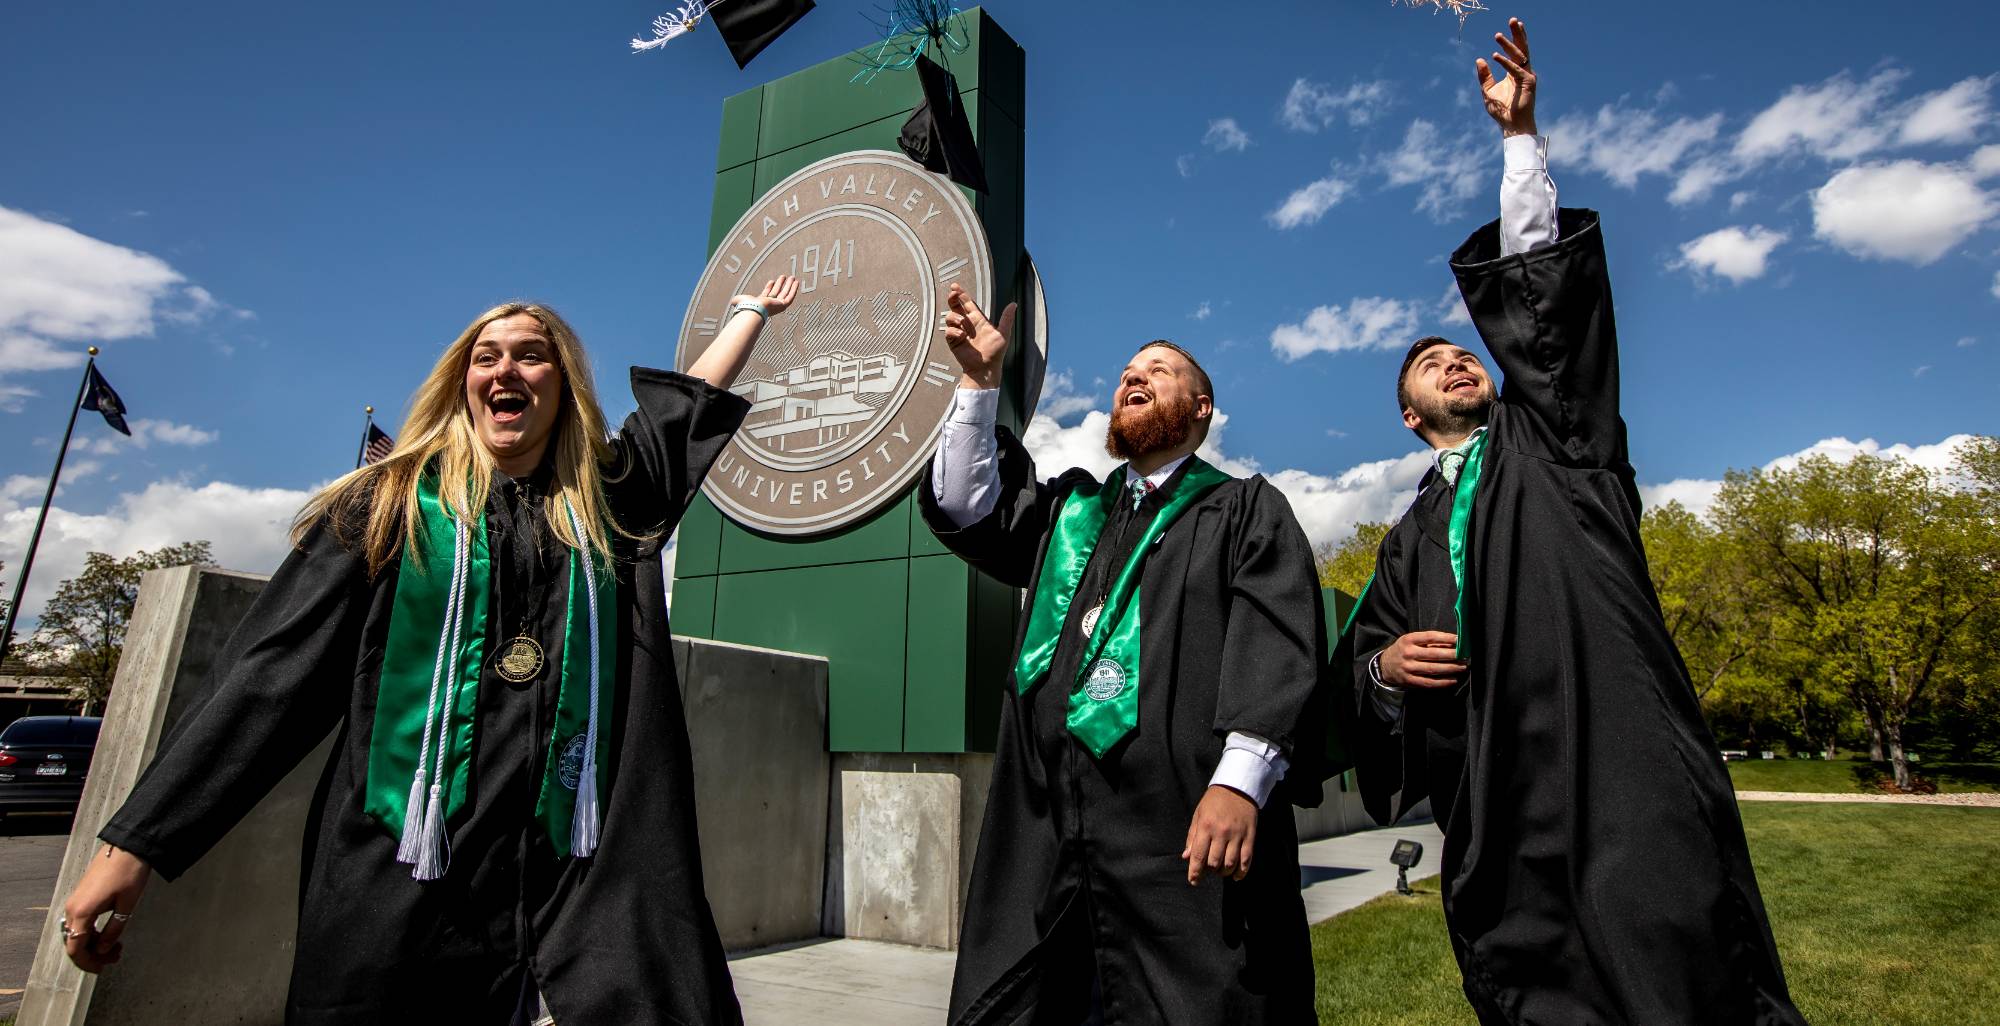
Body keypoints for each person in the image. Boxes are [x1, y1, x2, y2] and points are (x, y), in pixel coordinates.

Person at [58, 276, 801, 1025]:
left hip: (585, 861)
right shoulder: (387, 509)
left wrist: (749, 315)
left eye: (531, 356)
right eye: (487, 357)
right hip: (411, 867)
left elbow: (677, 414)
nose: (505, 370)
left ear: (565, 383)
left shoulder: (607, 505)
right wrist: (132, 851)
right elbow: (266, 676)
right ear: (463, 383)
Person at [1344, 19, 1807, 1026]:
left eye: (1463, 352)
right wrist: (1382, 672)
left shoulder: (1557, 442)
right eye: (1429, 363)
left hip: (1616, 763)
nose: (1457, 361)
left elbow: (1547, 323)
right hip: (1494, 800)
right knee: (1538, 986)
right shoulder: (1404, 540)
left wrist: (1518, 146)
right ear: (1407, 415)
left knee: (1672, 973)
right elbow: (1359, 662)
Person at [920, 293, 1326, 1024]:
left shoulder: (1241, 510)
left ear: (1200, 408)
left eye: (1160, 371)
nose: (1134, 376)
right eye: (1128, 371)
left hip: (1180, 829)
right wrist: (979, 384)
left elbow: (1278, 641)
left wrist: (1240, 784)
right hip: (1046, 827)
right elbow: (965, 505)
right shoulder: (1072, 514)